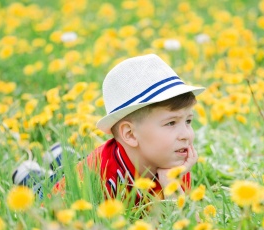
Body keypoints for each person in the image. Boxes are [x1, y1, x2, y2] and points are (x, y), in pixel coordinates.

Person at [12, 54, 205, 204]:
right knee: (43, 189)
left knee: (75, 164)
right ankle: (37, 173)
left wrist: (172, 185)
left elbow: (184, 226)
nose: (187, 135)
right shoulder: (100, 178)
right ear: (130, 134)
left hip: (102, 160)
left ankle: (62, 156)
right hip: (75, 182)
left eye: (188, 121)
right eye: (171, 123)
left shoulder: (173, 161)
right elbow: (54, 212)